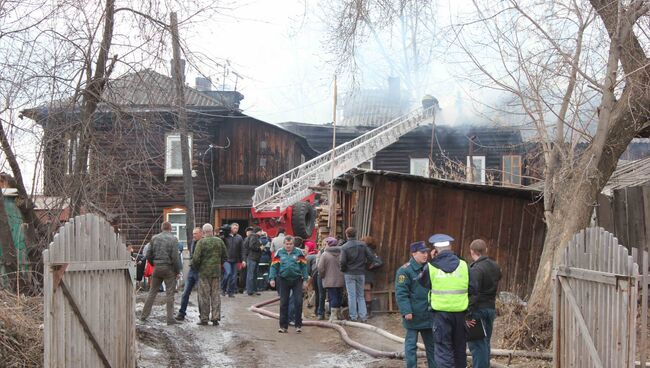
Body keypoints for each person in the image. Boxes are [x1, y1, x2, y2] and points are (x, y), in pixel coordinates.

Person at [418, 234, 470, 368]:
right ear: (450, 247)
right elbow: (473, 287)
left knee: (443, 350)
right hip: (460, 314)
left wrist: (433, 260)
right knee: (459, 349)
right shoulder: (464, 265)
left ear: (435, 250)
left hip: (441, 315)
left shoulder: (431, 267)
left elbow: (423, 282)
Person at [396, 241, 436, 368]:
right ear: (414, 253)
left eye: (427, 252)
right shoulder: (405, 271)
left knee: (432, 346)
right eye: (422, 252)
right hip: (413, 314)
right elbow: (401, 293)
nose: (426, 255)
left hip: (428, 313)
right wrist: (406, 311)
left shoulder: (430, 268)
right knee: (411, 345)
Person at [467, 239, 501, 368]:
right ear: (485, 250)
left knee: (477, 345)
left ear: (472, 252)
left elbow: (474, 292)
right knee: (485, 343)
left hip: (477, 310)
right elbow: (499, 277)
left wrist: (468, 314)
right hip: (490, 308)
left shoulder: (476, 269)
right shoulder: (495, 265)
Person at [139, 221, 182, 325]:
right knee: (169, 294)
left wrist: (154, 264)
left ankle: (143, 316)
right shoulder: (173, 239)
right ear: (170, 228)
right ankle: (170, 319)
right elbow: (175, 257)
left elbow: (148, 254)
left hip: (157, 268)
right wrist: (178, 271)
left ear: (162, 228)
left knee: (152, 292)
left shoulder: (154, 238)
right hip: (169, 269)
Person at [269, 235, 309, 333]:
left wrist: (305, 280)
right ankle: (283, 326)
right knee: (283, 303)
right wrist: (272, 278)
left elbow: (304, 266)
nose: (288, 246)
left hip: (297, 280)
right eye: (287, 244)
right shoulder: (279, 253)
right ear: (284, 244)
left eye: (290, 244)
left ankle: (298, 325)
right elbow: (273, 266)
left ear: (293, 244)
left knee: (298, 302)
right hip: (283, 280)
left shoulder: (299, 253)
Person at [192, 223, 228, 326]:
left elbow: (196, 258)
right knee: (215, 295)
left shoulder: (201, 243)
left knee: (204, 296)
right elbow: (225, 256)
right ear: (212, 231)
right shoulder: (219, 241)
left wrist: (196, 267)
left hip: (203, 273)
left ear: (203, 232)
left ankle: (204, 318)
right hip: (216, 273)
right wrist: (218, 264)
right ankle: (215, 318)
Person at [339, 227, 374, 322]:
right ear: (356, 234)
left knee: (351, 296)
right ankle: (363, 316)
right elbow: (371, 257)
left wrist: (344, 269)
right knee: (361, 295)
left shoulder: (344, 247)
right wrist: (366, 266)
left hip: (349, 273)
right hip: (361, 272)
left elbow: (342, 261)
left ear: (347, 235)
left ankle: (353, 317)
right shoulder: (363, 245)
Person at [175, 227, 203, 321]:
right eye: (193, 233)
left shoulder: (203, 243)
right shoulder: (193, 243)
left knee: (201, 294)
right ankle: (181, 313)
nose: (194, 235)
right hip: (192, 270)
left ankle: (202, 315)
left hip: (200, 271)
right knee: (185, 292)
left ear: (201, 233)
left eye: (195, 233)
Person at [318, 236, 344, 322]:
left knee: (332, 297)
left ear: (329, 245)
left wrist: (322, 276)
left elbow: (320, 268)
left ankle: (333, 316)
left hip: (329, 279)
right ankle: (339, 314)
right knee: (339, 296)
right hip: (341, 279)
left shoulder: (325, 254)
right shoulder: (342, 253)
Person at [222, 223, 246, 297]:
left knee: (234, 277)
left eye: (237, 228)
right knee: (228, 274)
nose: (236, 229)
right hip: (226, 260)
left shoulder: (239, 238)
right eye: (234, 228)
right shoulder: (225, 237)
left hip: (235, 260)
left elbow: (242, 250)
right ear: (230, 228)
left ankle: (230, 292)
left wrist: (243, 260)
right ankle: (223, 289)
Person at [362, 235, 381, 318]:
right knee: (367, 293)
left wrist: (371, 266)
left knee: (363, 293)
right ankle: (368, 312)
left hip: (364, 274)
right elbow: (378, 262)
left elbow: (379, 262)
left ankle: (364, 312)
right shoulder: (372, 251)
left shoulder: (367, 250)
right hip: (368, 274)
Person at [245, 227, 264, 296]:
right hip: (252, 258)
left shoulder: (255, 237)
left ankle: (254, 290)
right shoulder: (254, 236)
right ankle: (250, 291)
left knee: (254, 275)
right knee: (251, 275)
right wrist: (259, 248)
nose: (261, 233)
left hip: (254, 258)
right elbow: (251, 245)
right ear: (258, 231)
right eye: (261, 231)